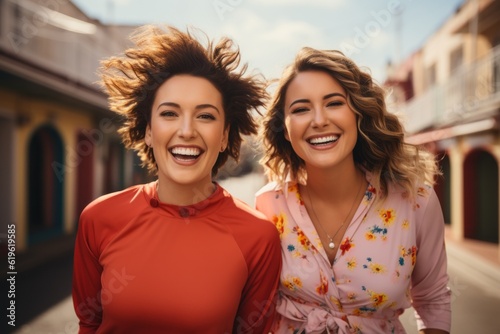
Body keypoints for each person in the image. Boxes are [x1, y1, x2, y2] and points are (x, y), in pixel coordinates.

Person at [72, 24, 282, 334]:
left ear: (224, 136)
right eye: (169, 113)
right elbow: (89, 323)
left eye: (205, 115)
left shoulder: (258, 237)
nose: (186, 130)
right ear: (147, 130)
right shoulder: (99, 218)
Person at [255, 47, 451, 333]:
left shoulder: (416, 201)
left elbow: (433, 301)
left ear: (358, 114)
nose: (319, 120)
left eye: (334, 103)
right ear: (285, 129)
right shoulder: (267, 204)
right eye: (300, 109)